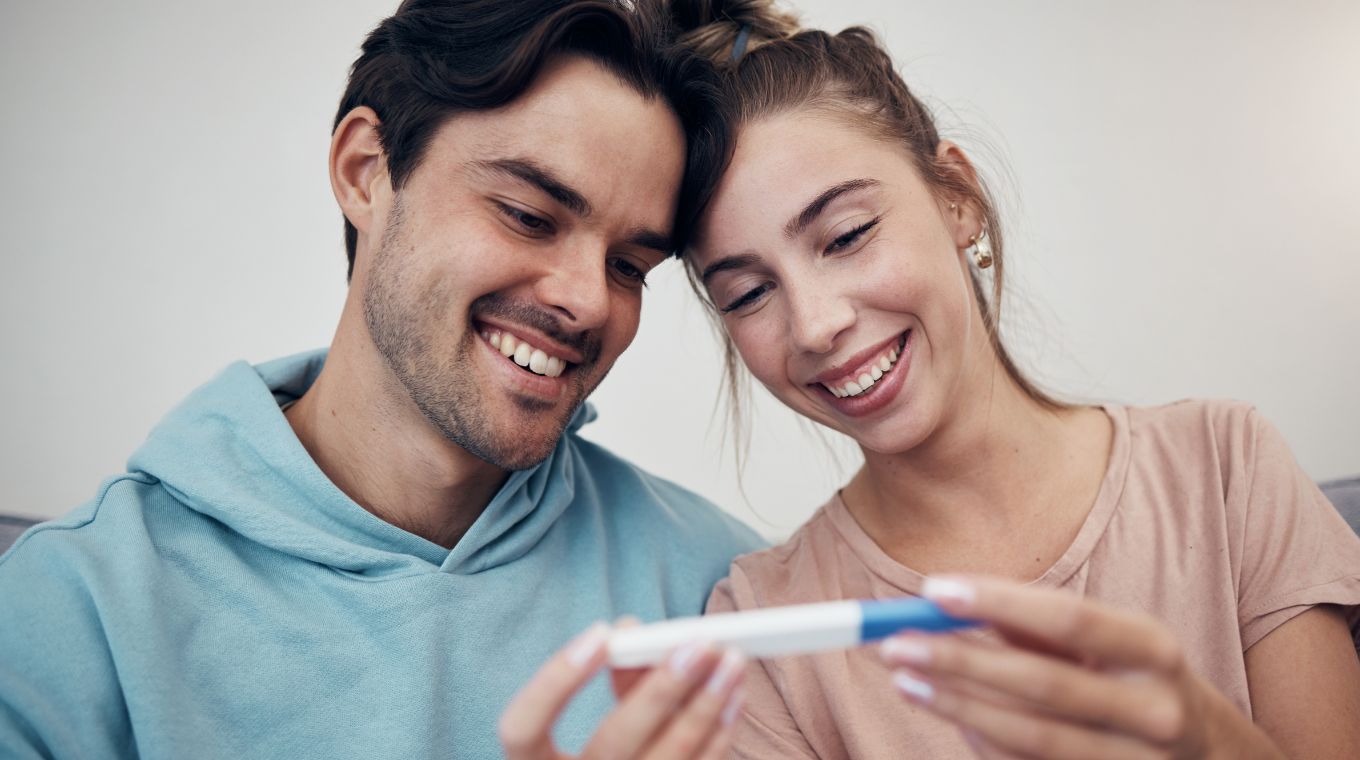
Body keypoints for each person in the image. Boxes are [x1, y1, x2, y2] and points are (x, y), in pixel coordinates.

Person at [0, 2, 765, 758]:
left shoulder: (724, 590)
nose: (589, 300)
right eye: (528, 216)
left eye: (628, 266)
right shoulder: (66, 614)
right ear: (365, 171)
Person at [665, 1, 1360, 758]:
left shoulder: (1225, 470)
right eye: (747, 294)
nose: (813, 325)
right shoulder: (762, 634)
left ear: (956, 197)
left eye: (847, 235)